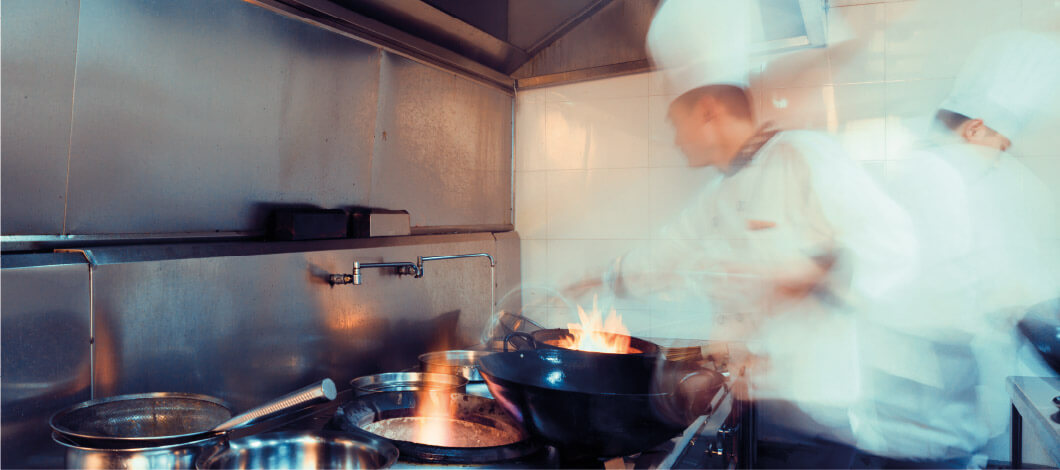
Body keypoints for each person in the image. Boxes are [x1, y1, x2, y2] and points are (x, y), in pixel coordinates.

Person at [565, 1, 919, 465]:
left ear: (708, 111)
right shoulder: (721, 191)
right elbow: (668, 255)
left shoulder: (802, 156)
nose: (673, 137)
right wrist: (603, 278)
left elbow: (896, 246)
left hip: (816, 424)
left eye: (676, 121)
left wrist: (812, 273)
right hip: (758, 414)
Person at [850, 31, 1060, 468]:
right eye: (999, 148)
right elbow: (952, 281)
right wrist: (1012, 305)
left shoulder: (934, 172)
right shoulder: (935, 175)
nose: (999, 159)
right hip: (920, 409)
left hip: (918, 405)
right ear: (976, 128)